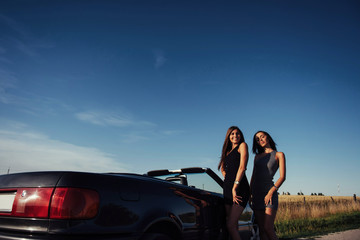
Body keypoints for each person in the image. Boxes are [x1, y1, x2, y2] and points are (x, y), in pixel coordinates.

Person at [250, 131, 286, 240]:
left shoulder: (279, 154)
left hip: (270, 193)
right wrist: (249, 193)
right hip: (256, 194)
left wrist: (271, 192)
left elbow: (282, 177)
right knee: (261, 230)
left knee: (268, 228)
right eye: (257, 139)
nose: (260, 140)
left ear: (268, 138)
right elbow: (253, 176)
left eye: (262, 137)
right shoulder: (257, 157)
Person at [218, 126, 250, 240]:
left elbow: (242, 167)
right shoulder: (227, 151)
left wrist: (235, 186)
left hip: (239, 188)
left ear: (240, 135)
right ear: (228, 136)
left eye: (237, 133)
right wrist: (227, 178)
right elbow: (222, 167)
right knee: (233, 224)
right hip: (227, 188)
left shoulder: (242, 146)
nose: (235, 136)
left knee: (230, 225)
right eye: (232, 134)